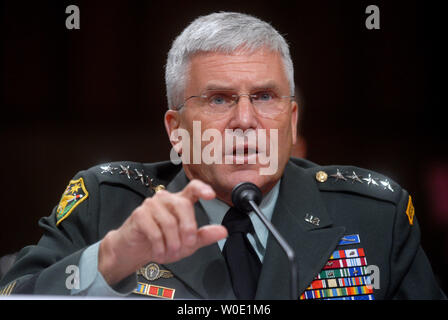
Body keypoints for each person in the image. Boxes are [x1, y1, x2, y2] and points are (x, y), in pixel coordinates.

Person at [0, 12, 445, 300]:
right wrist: (112, 258)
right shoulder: (107, 204)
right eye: (219, 100)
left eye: (265, 97)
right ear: (176, 131)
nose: (245, 120)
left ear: (292, 122)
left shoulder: (375, 217)